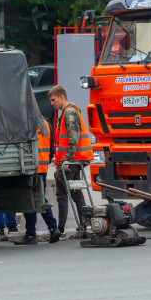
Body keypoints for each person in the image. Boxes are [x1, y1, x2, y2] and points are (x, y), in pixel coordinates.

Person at [48, 85, 93, 238]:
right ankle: (83, 226)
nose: (52, 103)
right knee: (76, 193)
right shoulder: (68, 112)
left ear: (61, 97)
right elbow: (66, 142)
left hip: (73, 161)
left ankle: (62, 229)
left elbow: (74, 139)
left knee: (64, 193)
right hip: (73, 160)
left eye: (53, 100)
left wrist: (66, 161)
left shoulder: (70, 113)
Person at [14, 117, 61, 245]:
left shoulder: (25, 122)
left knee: (29, 200)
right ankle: (53, 227)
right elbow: (52, 147)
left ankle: (30, 234)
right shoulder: (46, 123)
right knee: (40, 198)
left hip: (30, 168)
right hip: (43, 168)